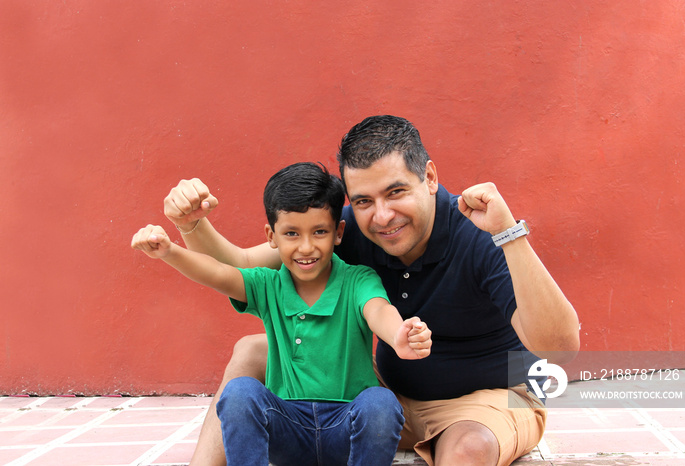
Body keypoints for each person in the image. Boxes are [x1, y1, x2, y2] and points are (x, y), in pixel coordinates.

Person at [164, 115, 580, 466]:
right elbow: (240, 265)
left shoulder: (479, 232)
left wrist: (510, 235)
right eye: (364, 200)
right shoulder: (349, 228)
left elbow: (560, 348)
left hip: (483, 401)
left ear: (429, 177)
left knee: (469, 448)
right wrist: (191, 224)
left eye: (396, 192)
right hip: (384, 395)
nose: (382, 216)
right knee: (251, 350)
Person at [132, 162, 433, 466]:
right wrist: (170, 252)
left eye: (319, 232)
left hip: (347, 429)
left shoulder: (358, 280)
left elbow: (378, 310)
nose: (306, 247)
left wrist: (398, 335)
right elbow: (218, 273)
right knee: (239, 392)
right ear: (271, 236)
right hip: (288, 431)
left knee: (380, 403)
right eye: (291, 233)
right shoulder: (267, 285)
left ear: (338, 232)